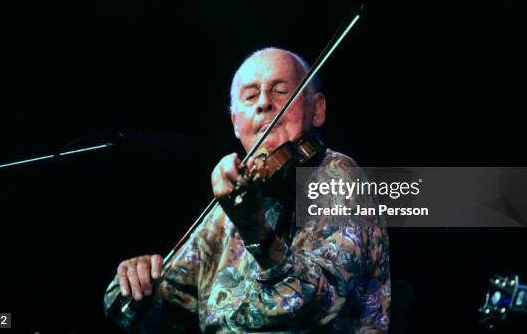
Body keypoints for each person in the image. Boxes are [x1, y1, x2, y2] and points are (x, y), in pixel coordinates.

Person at [106, 48, 391, 333]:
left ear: (316, 110)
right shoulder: (236, 197)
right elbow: (161, 313)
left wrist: (255, 230)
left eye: (280, 92)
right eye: (251, 96)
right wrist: (137, 286)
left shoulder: (338, 176)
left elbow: (317, 307)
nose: (264, 103)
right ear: (234, 123)